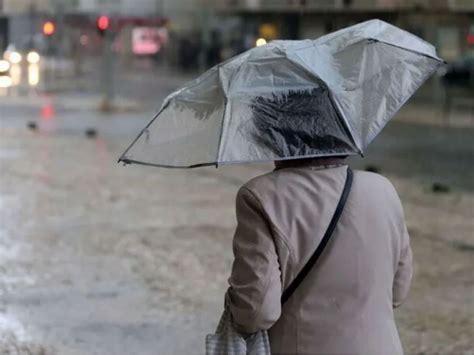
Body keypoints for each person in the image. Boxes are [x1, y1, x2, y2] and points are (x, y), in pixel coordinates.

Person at [225, 156, 413, 354]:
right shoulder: (383, 189)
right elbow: (398, 292)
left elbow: (256, 313)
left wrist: (233, 302)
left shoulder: (261, 195)